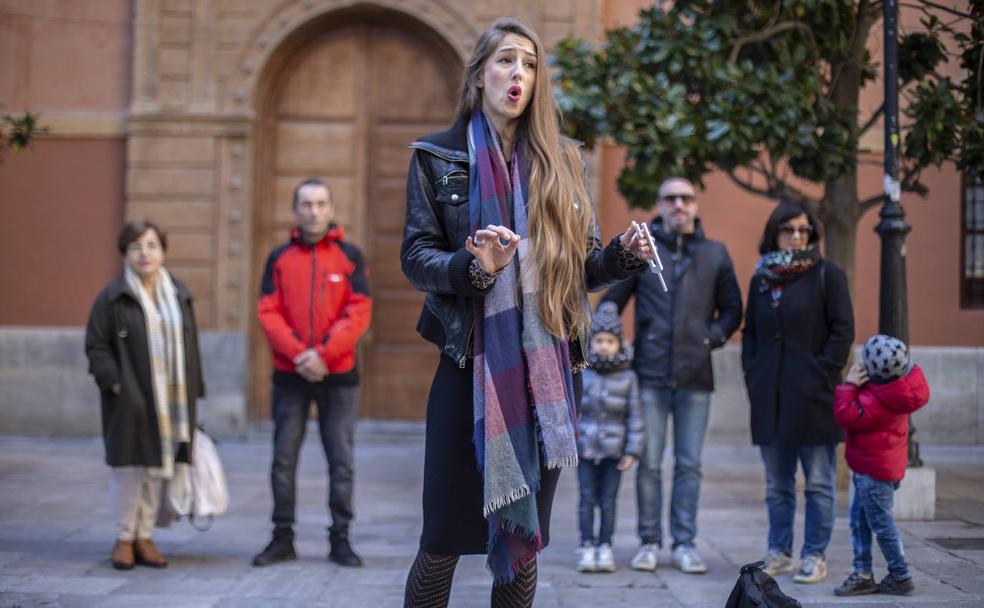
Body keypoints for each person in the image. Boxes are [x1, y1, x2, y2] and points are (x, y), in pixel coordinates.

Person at [399, 17, 653, 607]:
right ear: (480, 74)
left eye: (530, 64)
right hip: (467, 372)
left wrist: (622, 256)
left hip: (545, 379)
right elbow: (415, 258)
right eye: (506, 60)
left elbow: (584, 268)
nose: (518, 73)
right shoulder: (438, 157)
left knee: (522, 547)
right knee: (440, 539)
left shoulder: (563, 161)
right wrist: (476, 268)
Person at [600, 177, 742, 574]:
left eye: (685, 198)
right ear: (659, 205)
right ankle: (649, 542)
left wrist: (709, 337)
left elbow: (732, 310)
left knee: (689, 463)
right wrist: (612, 342)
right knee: (648, 464)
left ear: (696, 205)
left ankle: (684, 543)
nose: (678, 204)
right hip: (648, 375)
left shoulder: (715, 253)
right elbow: (610, 302)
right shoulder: (643, 251)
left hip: (696, 375)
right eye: (670, 198)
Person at [251, 178, 372, 568]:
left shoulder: (350, 257)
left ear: (331, 209)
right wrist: (300, 355)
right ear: (296, 210)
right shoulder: (279, 258)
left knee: (341, 460)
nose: (314, 211)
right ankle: (282, 537)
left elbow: (359, 313)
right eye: (306, 204)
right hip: (290, 376)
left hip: (338, 376)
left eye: (321, 203)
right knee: (282, 461)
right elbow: (268, 312)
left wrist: (321, 355)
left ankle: (341, 539)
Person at [741, 201, 854, 584]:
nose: (796, 236)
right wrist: (754, 375)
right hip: (770, 397)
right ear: (774, 232)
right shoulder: (762, 278)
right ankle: (780, 551)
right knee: (777, 485)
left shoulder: (828, 275)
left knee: (819, 483)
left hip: (814, 397)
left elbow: (843, 331)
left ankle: (814, 555)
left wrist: (821, 371)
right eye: (788, 229)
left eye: (804, 230)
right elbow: (751, 333)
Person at [85, 220, 205, 570]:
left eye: (152, 245)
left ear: (163, 251)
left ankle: (145, 536)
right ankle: (124, 538)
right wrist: (117, 385)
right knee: (128, 468)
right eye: (136, 246)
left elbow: (190, 345)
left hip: (170, 398)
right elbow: (96, 346)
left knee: (157, 467)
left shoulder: (179, 294)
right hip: (130, 398)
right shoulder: (112, 297)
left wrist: (194, 391)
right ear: (125, 253)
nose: (145, 253)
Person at [833, 335, 930, 597]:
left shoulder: (876, 400)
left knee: (881, 525)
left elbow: (845, 414)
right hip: (876, 469)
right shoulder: (898, 389)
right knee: (860, 522)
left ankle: (900, 575)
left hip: (873, 473)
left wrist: (849, 386)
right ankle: (863, 573)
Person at [575, 302, 643, 573]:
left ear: (619, 343)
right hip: (586, 450)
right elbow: (573, 410)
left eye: (609, 341)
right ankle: (586, 545)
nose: (604, 346)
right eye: (599, 340)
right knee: (586, 499)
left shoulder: (628, 378)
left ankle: (605, 546)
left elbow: (635, 417)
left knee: (608, 500)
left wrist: (632, 451)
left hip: (614, 452)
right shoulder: (583, 373)